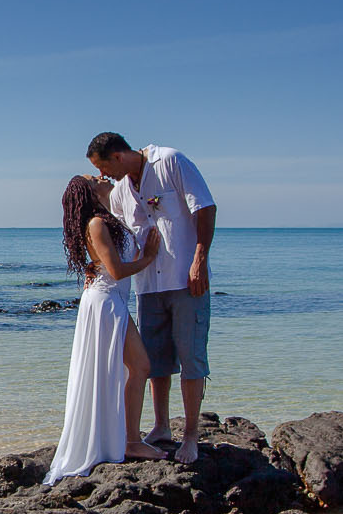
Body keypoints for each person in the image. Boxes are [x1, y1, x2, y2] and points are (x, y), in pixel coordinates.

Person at [85, 132, 217, 464]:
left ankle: (190, 435)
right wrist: (95, 262)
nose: (104, 176)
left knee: (191, 357)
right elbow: (113, 235)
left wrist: (199, 259)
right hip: (147, 285)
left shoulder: (170, 160)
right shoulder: (119, 193)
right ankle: (160, 427)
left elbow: (205, 207)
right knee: (155, 360)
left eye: (104, 168)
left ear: (117, 156)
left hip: (185, 278)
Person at [43, 175, 164, 485]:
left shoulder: (109, 219)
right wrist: (149, 258)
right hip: (106, 301)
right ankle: (131, 441)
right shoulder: (97, 224)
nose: (102, 177)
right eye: (95, 178)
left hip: (112, 298)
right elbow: (117, 270)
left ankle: (125, 438)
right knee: (140, 367)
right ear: (89, 193)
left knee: (132, 369)